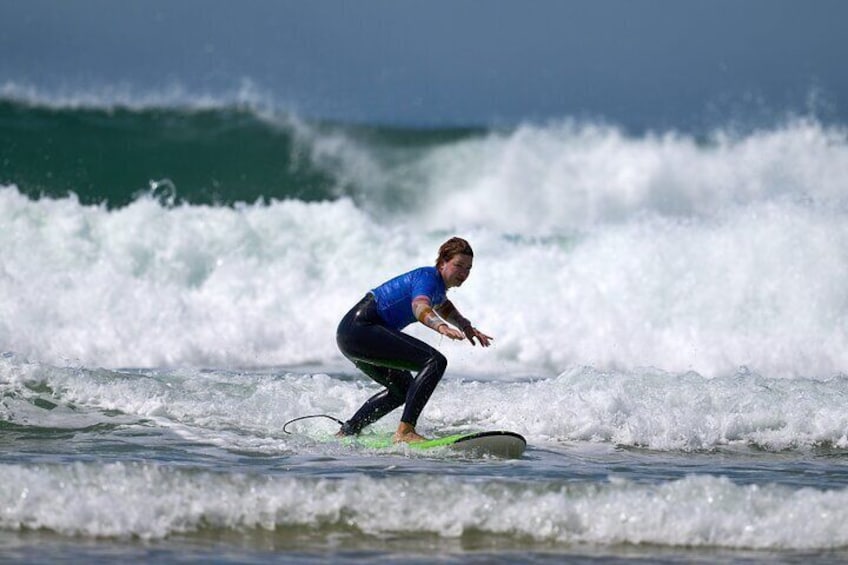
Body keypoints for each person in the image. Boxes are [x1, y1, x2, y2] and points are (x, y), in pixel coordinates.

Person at [336, 236, 493, 443]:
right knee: (435, 361)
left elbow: (443, 305)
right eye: (459, 266)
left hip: (351, 335)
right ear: (443, 262)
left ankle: (348, 431)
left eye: (468, 269)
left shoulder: (437, 287)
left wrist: (466, 326)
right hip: (361, 329)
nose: (464, 273)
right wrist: (441, 327)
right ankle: (405, 432)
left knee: (401, 389)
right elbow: (419, 306)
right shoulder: (427, 278)